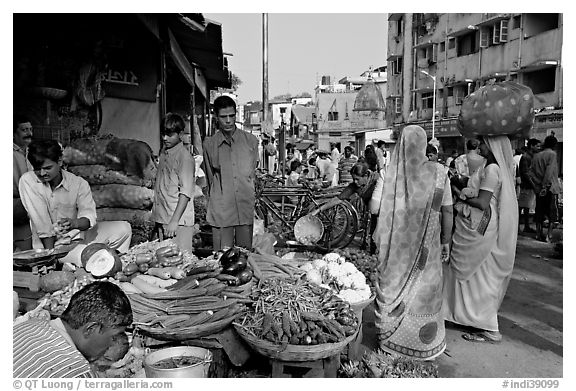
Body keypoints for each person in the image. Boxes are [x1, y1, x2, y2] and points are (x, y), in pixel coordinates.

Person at [374, 125, 453, 360]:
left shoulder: (389, 173)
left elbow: (374, 207)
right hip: (427, 251)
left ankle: (390, 342)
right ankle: (424, 346)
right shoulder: (439, 173)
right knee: (425, 292)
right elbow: (447, 211)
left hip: (394, 252)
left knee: (391, 286)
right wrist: (446, 240)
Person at [444, 135, 518, 343]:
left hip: (480, 224)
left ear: (492, 145)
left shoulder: (493, 169)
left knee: (477, 272)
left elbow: (483, 202)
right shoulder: (488, 166)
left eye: (484, 142)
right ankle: (467, 316)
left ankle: (487, 325)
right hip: (477, 224)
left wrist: (461, 196)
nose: (480, 146)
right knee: (476, 273)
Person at [18, 140, 132, 266]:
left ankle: (112, 259)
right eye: (37, 169)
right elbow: (42, 224)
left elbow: (89, 216)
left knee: (124, 228)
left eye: (47, 168)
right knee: (90, 257)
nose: (42, 173)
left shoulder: (78, 183)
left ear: (60, 161)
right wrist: (49, 257)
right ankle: (86, 258)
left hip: (78, 237)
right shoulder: (28, 181)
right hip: (55, 248)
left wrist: (74, 223)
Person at [13, 281, 132, 378]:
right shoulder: (77, 373)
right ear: (90, 329)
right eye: (114, 336)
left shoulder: (28, 325)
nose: (113, 343)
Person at [203, 95, 259, 250]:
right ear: (216, 117)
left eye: (231, 116)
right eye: (223, 117)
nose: (228, 120)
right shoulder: (210, 145)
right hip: (221, 209)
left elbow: (251, 174)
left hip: (244, 206)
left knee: (244, 257)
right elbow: (210, 179)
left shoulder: (251, 142)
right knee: (222, 258)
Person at [151, 113, 196, 251]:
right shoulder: (164, 153)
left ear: (180, 134)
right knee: (165, 265)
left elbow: (185, 193)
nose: (165, 138)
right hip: (163, 219)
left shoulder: (184, 158)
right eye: (163, 134)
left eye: (170, 135)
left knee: (181, 265)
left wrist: (174, 221)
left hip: (177, 223)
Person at [312, 163, 381, 253]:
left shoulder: (378, 182)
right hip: (374, 213)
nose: (355, 182)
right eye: (353, 179)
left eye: (357, 179)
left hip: (384, 211)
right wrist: (318, 210)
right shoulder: (355, 186)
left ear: (366, 175)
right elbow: (338, 199)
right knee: (373, 236)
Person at [530, 135, 561, 242]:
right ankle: (549, 235)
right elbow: (549, 171)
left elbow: (531, 172)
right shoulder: (552, 154)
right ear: (554, 145)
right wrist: (545, 185)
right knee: (552, 213)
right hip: (550, 188)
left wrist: (537, 184)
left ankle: (538, 234)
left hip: (539, 188)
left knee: (539, 211)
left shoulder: (536, 156)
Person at [13, 114, 34, 251]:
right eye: (24, 130)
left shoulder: (27, 152)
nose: (29, 133)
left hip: (25, 201)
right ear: (14, 133)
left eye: (30, 129)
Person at [518, 139, 541, 234]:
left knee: (527, 207)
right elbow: (526, 173)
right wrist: (533, 184)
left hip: (529, 185)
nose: (539, 148)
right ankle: (518, 227)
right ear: (532, 146)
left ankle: (526, 226)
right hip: (526, 186)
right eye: (537, 146)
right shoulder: (526, 157)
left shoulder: (531, 157)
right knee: (521, 207)